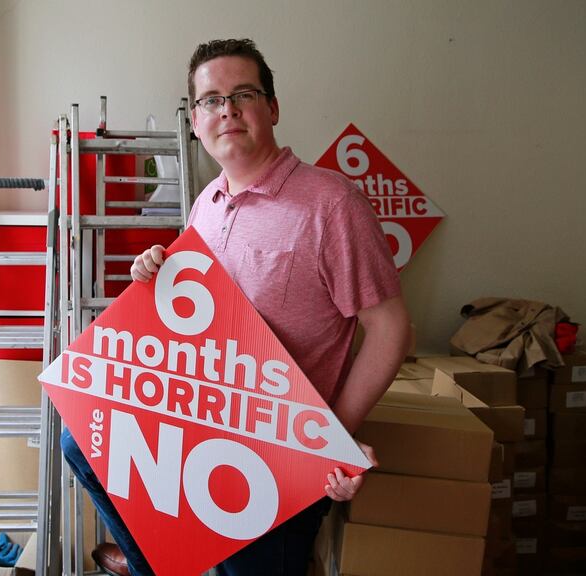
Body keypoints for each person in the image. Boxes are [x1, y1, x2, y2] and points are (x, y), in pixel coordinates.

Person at [61, 38, 410, 576]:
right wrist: (156, 267)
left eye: (243, 93)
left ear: (271, 108)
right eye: (210, 99)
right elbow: (196, 309)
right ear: (196, 122)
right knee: (79, 438)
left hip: (274, 456)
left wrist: (329, 440)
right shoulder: (207, 203)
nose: (226, 109)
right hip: (199, 426)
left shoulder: (331, 204)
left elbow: (389, 329)